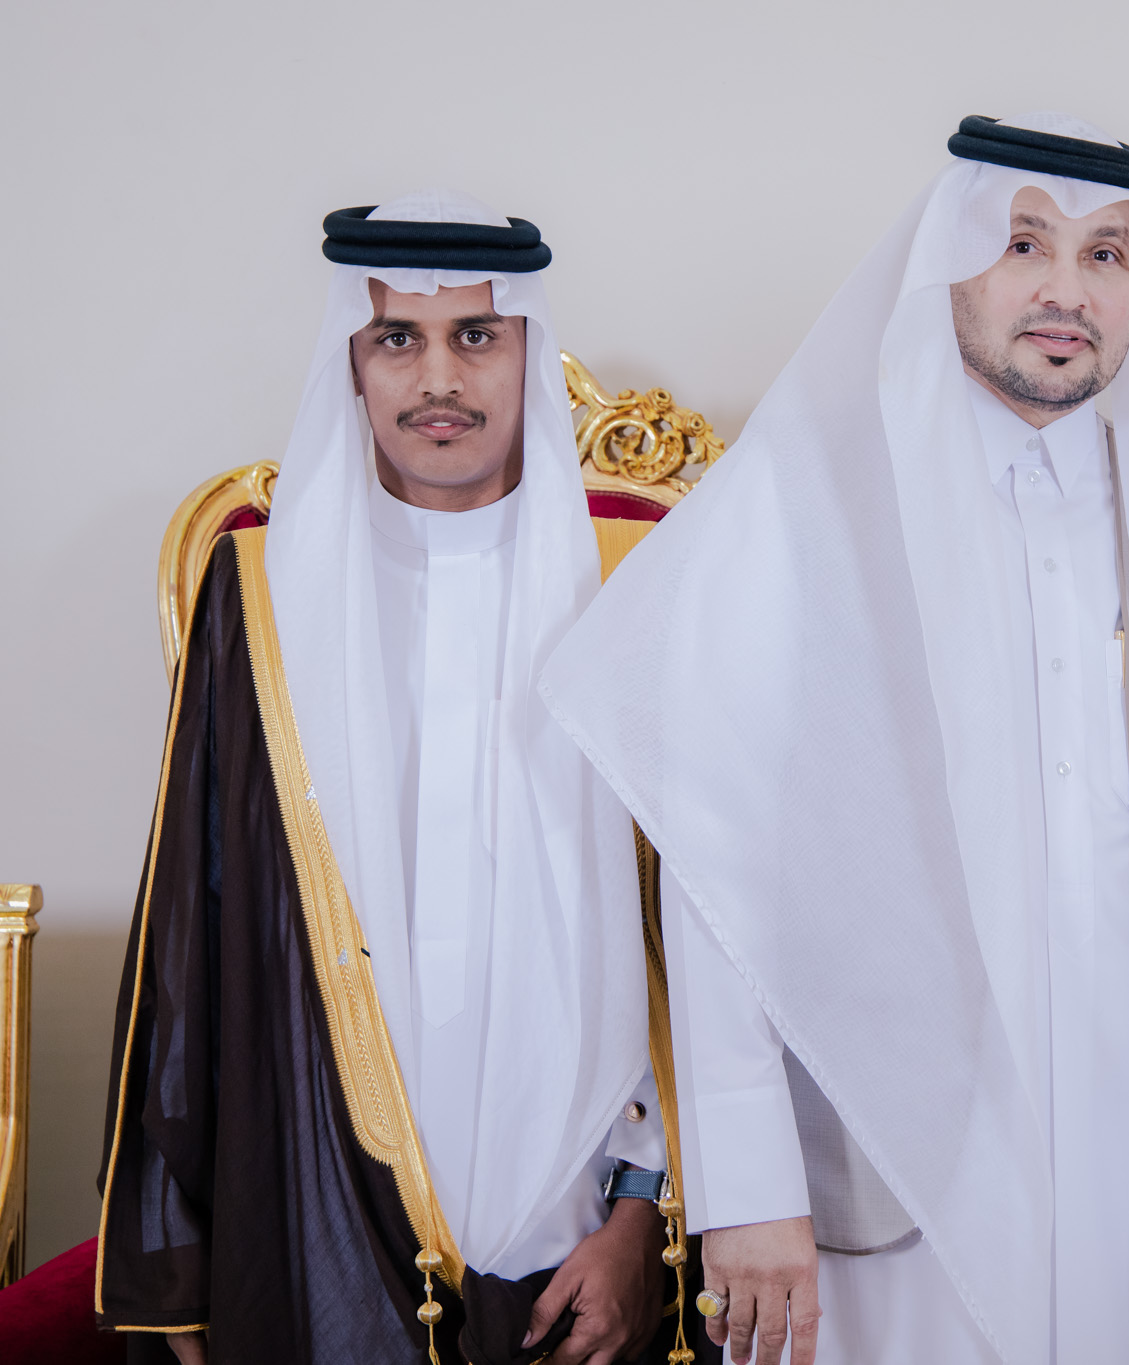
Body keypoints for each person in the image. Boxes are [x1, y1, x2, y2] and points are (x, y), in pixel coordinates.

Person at [541, 113, 1129, 1364]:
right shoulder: (804, 505)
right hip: (898, 1149)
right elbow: (718, 869)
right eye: (1024, 244)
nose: (1065, 290)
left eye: (1105, 253)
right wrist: (748, 1185)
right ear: (949, 260)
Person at [96, 191, 694, 1365]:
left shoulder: (638, 582)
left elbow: (702, 929)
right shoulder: (258, 597)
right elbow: (193, 929)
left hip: (587, 1227)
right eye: (395, 339)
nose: (439, 380)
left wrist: (644, 1212)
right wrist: (184, 1262)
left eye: (476, 335)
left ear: (527, 350)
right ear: (352, 364)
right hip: (315, 1193)